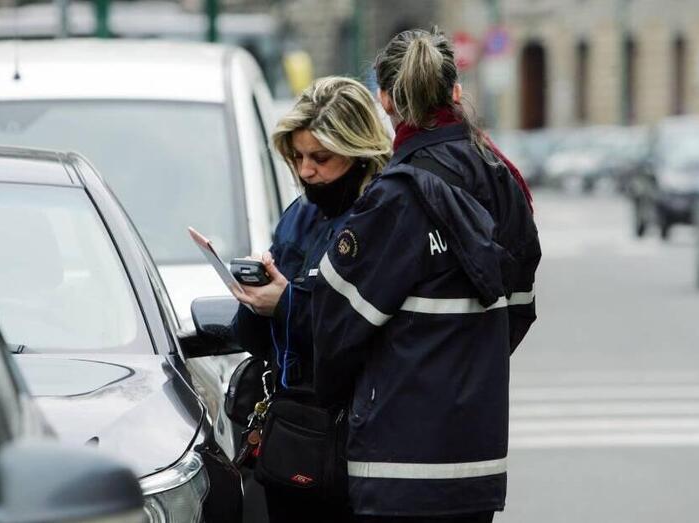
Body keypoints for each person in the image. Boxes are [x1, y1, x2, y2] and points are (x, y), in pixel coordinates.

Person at [310, 27, 541, 522]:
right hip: (477, 458)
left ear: (384, 99)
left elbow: (333, 327)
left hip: (394, 462)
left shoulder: (394, 198)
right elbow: (518, 312)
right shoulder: (504, 182)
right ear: (456, 93)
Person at [230, 76, 392, 523]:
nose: (306, 171)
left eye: (321, 158)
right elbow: (265, 338)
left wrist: (284, 303)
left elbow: (358, 331)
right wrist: (253, 296)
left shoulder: (380, 217)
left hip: (357, 441)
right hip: (295, 433)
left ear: (359, 152)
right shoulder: (300, 215)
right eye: (298, 157)